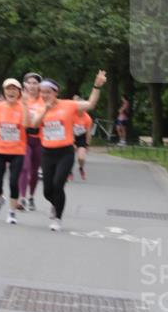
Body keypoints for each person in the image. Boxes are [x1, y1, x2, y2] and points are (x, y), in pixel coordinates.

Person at [32, 71, 107, 231]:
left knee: (58, 185)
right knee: (47, 191)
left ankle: (57, 219)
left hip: (64, 152)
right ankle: (55, 204)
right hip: (47, 153)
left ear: (56, 92)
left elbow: (90, 104)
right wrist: (45, 110)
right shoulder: (40, 108)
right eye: (42, 92)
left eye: (48, 92)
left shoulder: (68, 105)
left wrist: (97, 86)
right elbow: (34, 125)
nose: (45, 95)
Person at [0, 79, 29, 224]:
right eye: (8, 89)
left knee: (13, 182)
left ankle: (12, 212)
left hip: (17, 150)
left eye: (15, 89)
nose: (11, 91)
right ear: (4, 91)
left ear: (19, 92)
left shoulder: (23, 108)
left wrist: (27, 107)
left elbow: (27, 125)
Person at [17, 72, 44, 211]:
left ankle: (31, 196)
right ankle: (22, 198)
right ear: (24, 85)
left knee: (34, 172)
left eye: (35, 83)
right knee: (25, 167)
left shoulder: (44, 100)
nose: (32, 86)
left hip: (39, 139)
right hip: (24, 138)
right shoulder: (19, 99)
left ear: (40, 85)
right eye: (29, 83)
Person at [71, 96, 93, 179]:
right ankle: (69, 171)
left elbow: (88, 133)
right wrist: (72, 142)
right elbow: (68, 128)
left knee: (81, 157)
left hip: (81, 138)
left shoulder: (87, 118)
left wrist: (87, 144)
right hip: (71, 137)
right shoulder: (72, 115)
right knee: (70, 156)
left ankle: (81, 168)